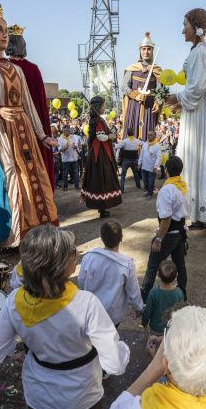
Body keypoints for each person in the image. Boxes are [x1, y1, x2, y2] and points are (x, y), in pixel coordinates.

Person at [0, 224, 130, 409]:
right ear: (60, 264)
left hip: (39, 398)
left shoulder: (15, 301)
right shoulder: (86, 303)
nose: (76, 254)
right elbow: (115, 365)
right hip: (82, 399)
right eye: (72, 252)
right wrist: (122, 349)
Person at [0, 6, 59, 247]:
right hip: (2, 133)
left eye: (6, 29)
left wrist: (42, 136)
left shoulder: (17, 69)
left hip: (25, 132)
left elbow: (29, 105)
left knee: (35, 178)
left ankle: (41, 230)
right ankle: (16, 237)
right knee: (13, 179)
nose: (4, 34)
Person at [164, 9, 206, 229]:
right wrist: (182, 103)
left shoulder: (200, 52)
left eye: (185, 26)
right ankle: (196, 213)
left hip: (199, 118)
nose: (182, 30)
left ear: (196, 27)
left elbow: (198, 88)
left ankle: (199, 214)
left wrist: (176, 97)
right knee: (194, 156)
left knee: (196, 155)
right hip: (194, 112)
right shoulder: (199, 52)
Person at [7, 23, 55, 189]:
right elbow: (41, 104)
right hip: (34, 122)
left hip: (12, 123)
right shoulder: (33, 69)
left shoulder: (4, 67)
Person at [78, 218, 144, 329]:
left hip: (91, 311)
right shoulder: (126, 264)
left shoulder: (89, 258)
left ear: (101, 237)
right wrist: (139, 308)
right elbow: (133, 291)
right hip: (112, 315)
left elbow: (81, 282)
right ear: (121, 238)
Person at [141, 156, 190, 302]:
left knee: (153, 265)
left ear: (166, 170)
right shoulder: (185, 186)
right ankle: (182, 293)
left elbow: (166, 219)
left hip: (168, 234)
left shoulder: (167, 189)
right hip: (180, 232)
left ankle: (144, 296)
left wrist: (158, 239)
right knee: (180, 265)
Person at [81, 95, 122, 218]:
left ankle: (101, 207)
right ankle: (102, 208)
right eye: (103, 105)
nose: (104, 108)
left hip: (98, 154)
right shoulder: (98, 121)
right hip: (100, 155)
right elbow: (101, 137)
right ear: (98, 107)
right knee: (102, 179)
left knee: (99, 179)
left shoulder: (95, 120)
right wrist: (112, 136)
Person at [120, 32, 162, 142]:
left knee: (147, 135)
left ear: (152, 50)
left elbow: (160, 90)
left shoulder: (156, 70)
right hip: (134, 106)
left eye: (149, 49)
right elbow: (124, 87)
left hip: (149, 106)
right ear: (140, 50)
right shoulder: (132, 68)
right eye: (144, 49)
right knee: (131, 134)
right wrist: (135, 95)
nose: (146, 52)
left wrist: (157, 101)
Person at [141, 260, 184, 342]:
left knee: (154, 347)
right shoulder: (179, 293)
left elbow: (148, 311)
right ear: (176, 275)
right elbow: (181, 311)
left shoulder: (153, 293)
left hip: (155, 329)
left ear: (158, 275)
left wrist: (144, 322)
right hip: (172, 329)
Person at [114, 127, 143, 193]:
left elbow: (117, 146)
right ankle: (138, 186)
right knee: (135, 174)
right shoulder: (136, 140)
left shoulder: (125, 141)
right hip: (134, 160)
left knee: (123, 175)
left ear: (127, 133)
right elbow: (143, 144)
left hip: (126, 160)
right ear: (133, 133)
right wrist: (141, 140)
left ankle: (122, 189)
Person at [138, 130, 161, 200]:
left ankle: (150, 193)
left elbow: (159, 157)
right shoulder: (145, 144)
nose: (149, 136)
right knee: (145, 181)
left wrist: (155, 166)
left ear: (154, 136)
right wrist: (139, 163)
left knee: (151, 182)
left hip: (151, 167)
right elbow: (141, 154)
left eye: (150, 135)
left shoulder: (157, 146)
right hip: (144, 167)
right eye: (148, 134)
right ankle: (148, 191)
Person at [57, 125, 80, 191]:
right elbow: (59, 149)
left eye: (70, 131)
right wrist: (65, 148)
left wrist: (75, 147)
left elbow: (77, 147)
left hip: (74, 158)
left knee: (75, 173)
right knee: (65, 174)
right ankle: (65, 186)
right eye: (68, 131)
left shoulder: (72, 137)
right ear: (64, 131)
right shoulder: (60, 139)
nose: (69, 133)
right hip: (65, 160)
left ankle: (77, 186)